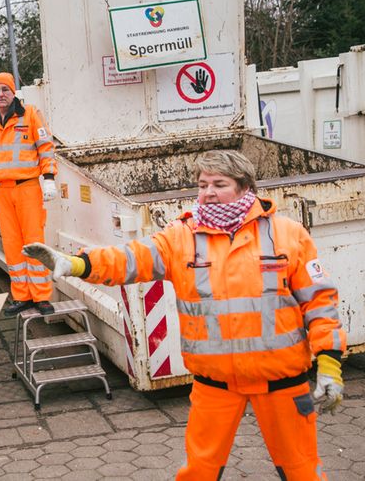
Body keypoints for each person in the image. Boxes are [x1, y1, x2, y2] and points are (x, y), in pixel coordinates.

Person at [23, 150, 346, 480]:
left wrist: (330, 365)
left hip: (282, 382)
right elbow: (129, 259)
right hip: (215, 383)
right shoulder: (181, 237)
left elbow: (319, 303)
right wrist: (77, 264)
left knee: (302, 471)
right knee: (199, 472)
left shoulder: (289, 235)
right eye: (202, 184)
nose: (207, 192)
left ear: (245, 187)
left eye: (219, 184)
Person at [0, 72, 59, 316]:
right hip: (1, 192)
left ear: (14, 93)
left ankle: (42, 297)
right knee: (11, 245)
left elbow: (46, 149)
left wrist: (50, 179)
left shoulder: (30, 115)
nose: (0, 94)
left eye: (5, 89)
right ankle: (22, 296)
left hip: (28, 188)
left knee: (33, 242)